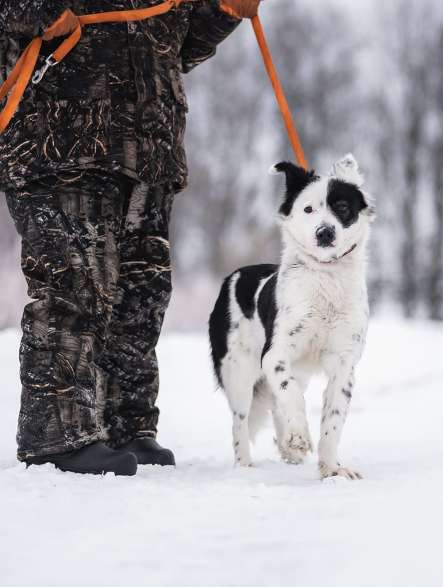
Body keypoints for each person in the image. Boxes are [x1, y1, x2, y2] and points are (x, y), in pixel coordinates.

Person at [0, 0, 260, 476]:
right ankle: (59, 435)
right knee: (74, 286)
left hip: (148, 147)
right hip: (61, 139)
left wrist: (222, 12)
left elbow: (175, 47)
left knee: (141, 295)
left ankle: (126, 427)